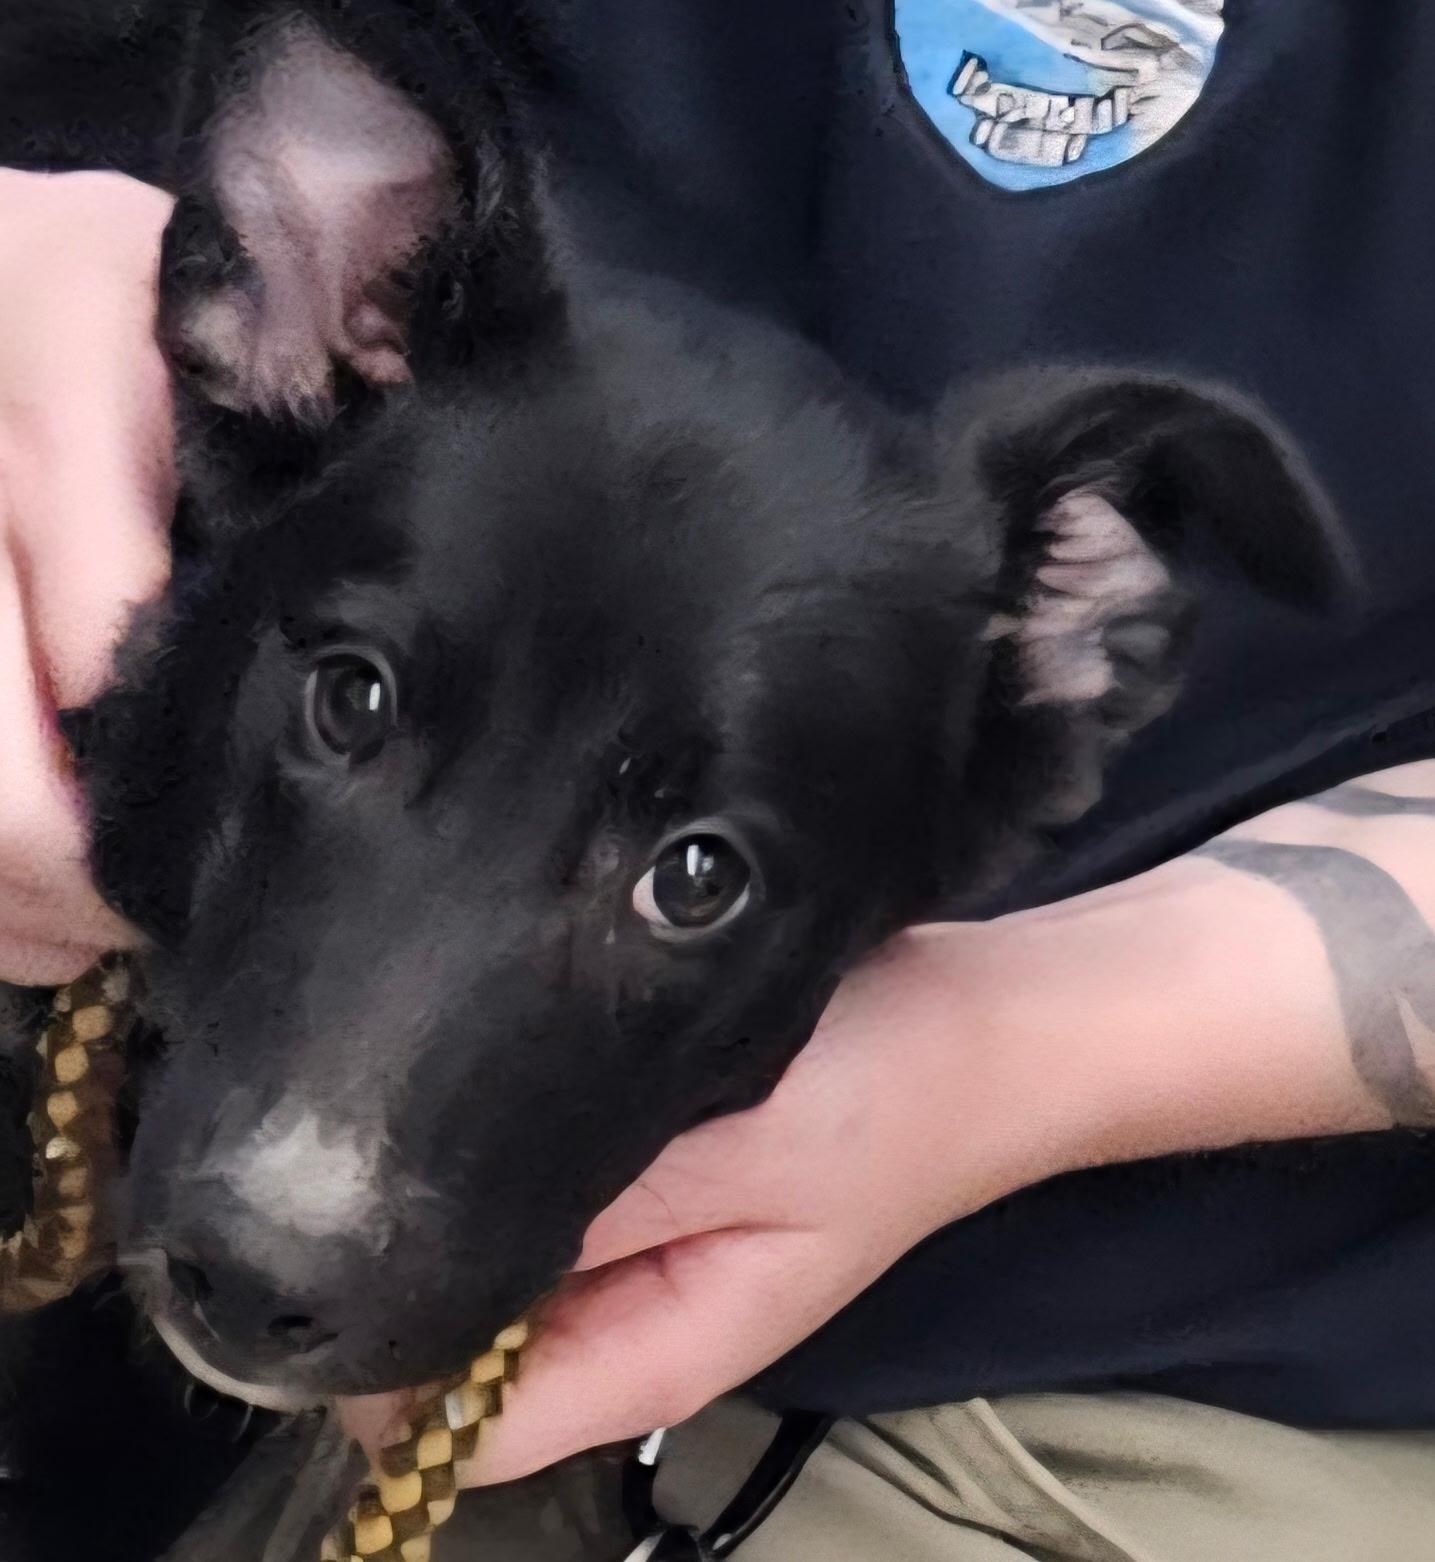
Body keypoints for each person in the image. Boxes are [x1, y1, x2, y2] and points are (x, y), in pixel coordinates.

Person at [6, 2, 1435, 1556]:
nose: (302, 1192)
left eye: (690, 874)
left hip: (1144, 1356)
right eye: (355, 708)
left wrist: (1016, 1057)